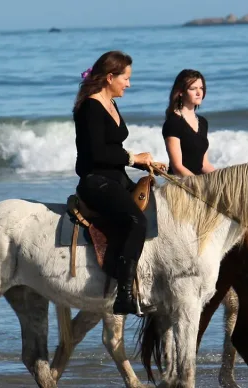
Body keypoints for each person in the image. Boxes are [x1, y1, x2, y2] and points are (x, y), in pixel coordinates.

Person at [73, 50, 162, 316]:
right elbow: (97, 153)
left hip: (116, 177)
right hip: (95, 181)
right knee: (137, 221)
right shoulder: (90, 106)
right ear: (110, 77)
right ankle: (124, 294)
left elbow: (113, 146)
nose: (129, 84)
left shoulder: (111, 103)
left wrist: (145, 163)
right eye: (126, 78)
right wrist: (135, 158)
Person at [162, 69, 215, 176]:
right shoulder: (173, 123)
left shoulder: (203, 122)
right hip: (179, 185)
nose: (199, 93)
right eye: (193, 89)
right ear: (181, 92)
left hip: (198, 182)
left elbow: (204, 164)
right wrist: (199, 185)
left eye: (201, 88)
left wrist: (222, 179)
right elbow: (177, 167)